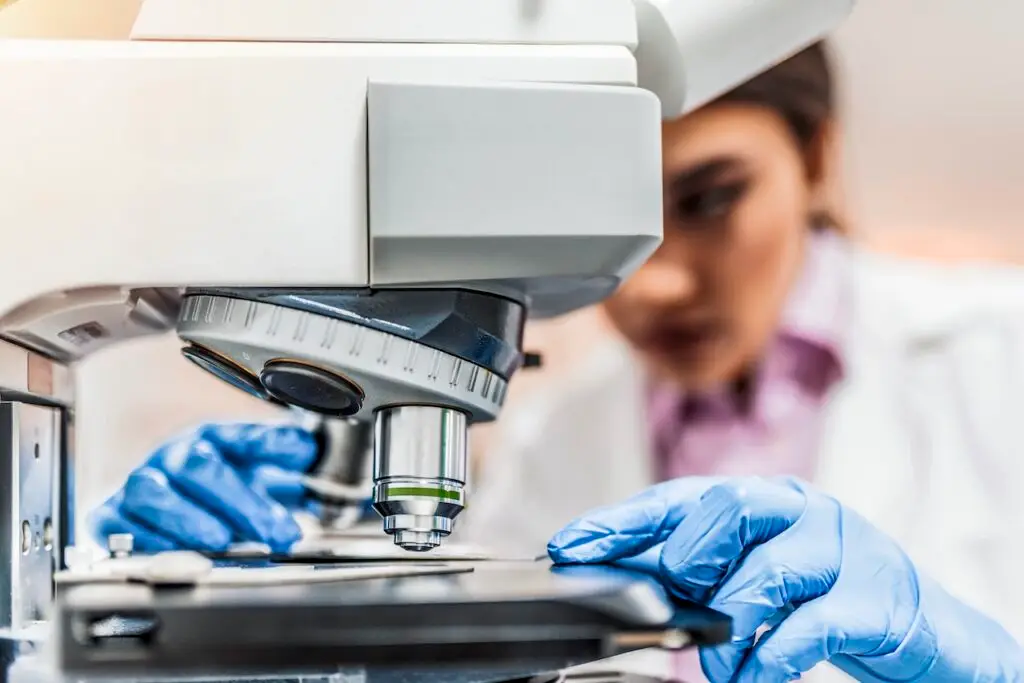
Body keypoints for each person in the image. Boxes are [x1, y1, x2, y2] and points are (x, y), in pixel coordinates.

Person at [89, 42, 1024, 681]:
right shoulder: (554, 437)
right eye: (624, 227)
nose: (659, 285)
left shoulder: (1000, 357)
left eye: (709, 199)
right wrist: (243, 605)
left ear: (816, 158)